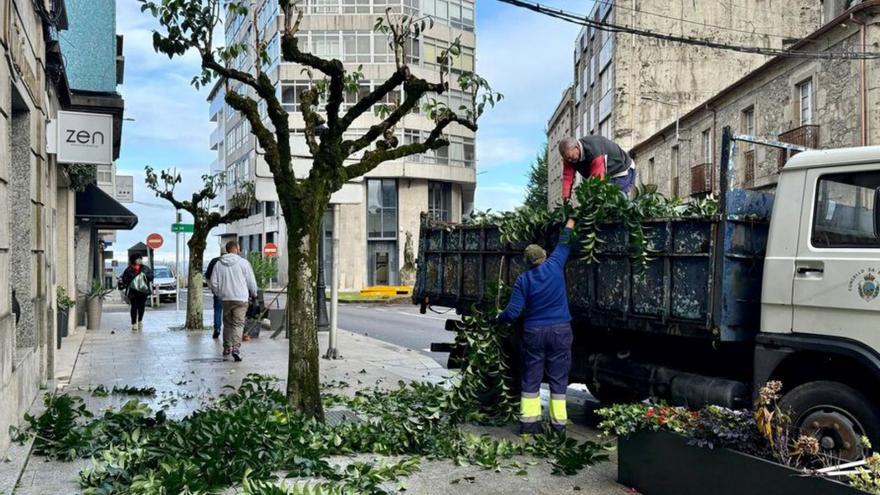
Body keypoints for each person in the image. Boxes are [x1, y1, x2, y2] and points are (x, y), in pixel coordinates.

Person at [497, 218, 577, 435]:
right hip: (560, 331)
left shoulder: (523, 280)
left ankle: (530, 425)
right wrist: (571, 221)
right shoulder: (555, 265)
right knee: (558, 379)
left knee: (531, 376)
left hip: (534, 333)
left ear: (527, 262)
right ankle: (558, 426)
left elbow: (513, 312)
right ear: (545, 256)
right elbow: (565, 241)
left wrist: (498, 318)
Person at [208, 241, 258, 361]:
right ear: (236, 248)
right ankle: (236, 348)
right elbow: (251, 281)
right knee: (238, 323)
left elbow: (213, 282)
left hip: (226, 298)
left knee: (228, 323)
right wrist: (254, 293)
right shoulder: (243, 263)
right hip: (241, 298)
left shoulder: (219, 264)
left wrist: (219, 293)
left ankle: (226, 347)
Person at [558, 135, 636, 198]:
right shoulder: (568, 158)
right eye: (567, 159)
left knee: (616, 201)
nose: (570, 160)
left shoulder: (594, 150)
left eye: (571, 157)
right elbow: (567, 178)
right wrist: (566, 200)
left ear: (577, 147)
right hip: (607, 175)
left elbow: (598, 179)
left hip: (622, 172)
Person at [119, 254, 154, 331]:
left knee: (141, 307)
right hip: (133, 292)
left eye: (140, 259)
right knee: (134, 307)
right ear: (133, 260)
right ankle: (134, 323)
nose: (140, 260)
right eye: (138, 259)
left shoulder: (145, 268)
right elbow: (124, 279)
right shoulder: (129, 269)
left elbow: (151, 277)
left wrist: (145, 276)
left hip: (143, 291)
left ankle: (140, 320)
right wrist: (132, 281)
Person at [204, 247, 225, 340]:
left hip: (218, 291)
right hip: (233, 292)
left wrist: (212, 288)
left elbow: (207, 276)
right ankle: (230, 332)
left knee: (218, 310)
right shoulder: (237, 261)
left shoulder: (214, 261)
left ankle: (217, 328)